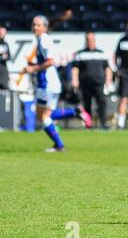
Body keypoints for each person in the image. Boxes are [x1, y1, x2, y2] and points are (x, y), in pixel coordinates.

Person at [23, 15, 91, 152]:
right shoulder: (44, 40)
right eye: (33, 25)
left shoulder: (44, 40)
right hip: (52, 83)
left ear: (45, 27)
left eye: (38, 25)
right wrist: (35, 65)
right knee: (43, 114)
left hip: (47, 84)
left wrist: (33, 68)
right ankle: (75, 112)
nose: (35, 27)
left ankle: (59, 145)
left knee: (43, 116)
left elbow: (50, 61)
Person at [72, 31, 113, 130]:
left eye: (92, 39)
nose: (90, 41)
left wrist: (108, 80)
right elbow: (75, 68)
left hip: (99, 83)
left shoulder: (101, 53)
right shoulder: (80, 54)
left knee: (102, 103)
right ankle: (88, 124)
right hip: (85, 83)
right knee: (87, 104)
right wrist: (75, 80)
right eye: (88, 40)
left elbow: (107, 68)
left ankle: (103, 123)